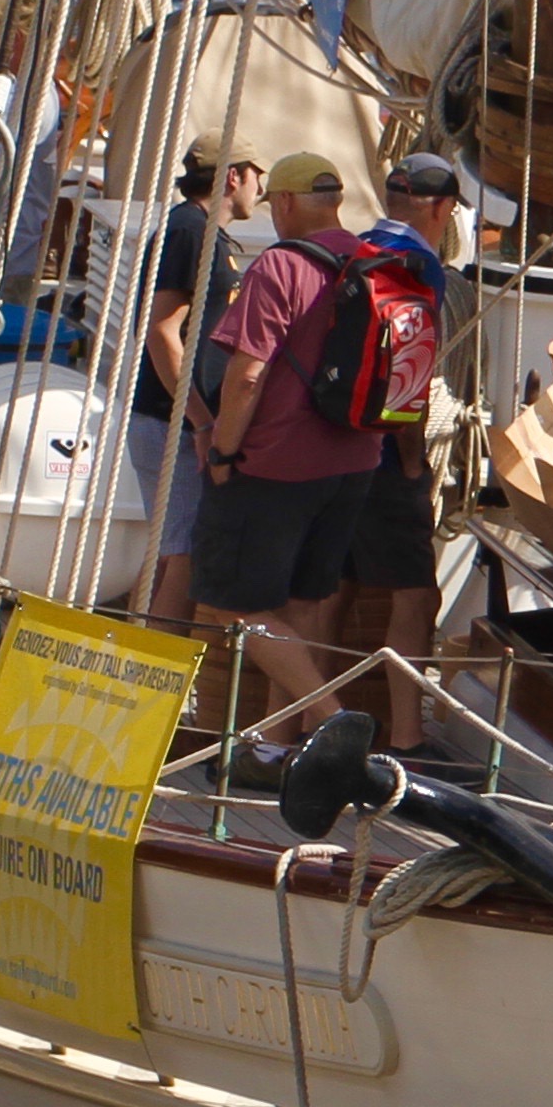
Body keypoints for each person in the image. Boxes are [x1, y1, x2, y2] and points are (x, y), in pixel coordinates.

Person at [189, 158, 387, 735]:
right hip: (355, 460)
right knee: (305, 602)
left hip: (275, 464)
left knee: (234, 604)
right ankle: (280, 748)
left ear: (287, 202)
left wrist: (223, 453)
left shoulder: (281, 265)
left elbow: (246, 376)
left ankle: (334, 721)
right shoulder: (375, 263)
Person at [346, 157, 471, 759]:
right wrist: (415, 463)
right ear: (442, 208)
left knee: (330, 593)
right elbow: (409, 377)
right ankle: (407, 740)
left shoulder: (353, 252)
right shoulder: (419, 268)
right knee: (416, 598)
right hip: (388, 459)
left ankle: (310, 728)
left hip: (335, 447)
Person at [134, 136, 263, 632]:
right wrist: (202, 422)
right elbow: (163, 331)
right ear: (233, 176)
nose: (260, 189)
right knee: (186, 554)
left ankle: (140, 654)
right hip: (172, 422)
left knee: (172, 553)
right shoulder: (190, 231)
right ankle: (156, 665)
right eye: (257, 176)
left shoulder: (202, 233)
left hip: (175, 419)